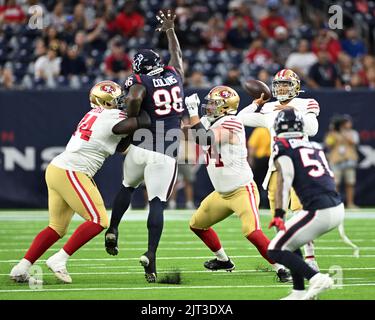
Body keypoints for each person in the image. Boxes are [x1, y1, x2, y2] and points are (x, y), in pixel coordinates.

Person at [9, 80, 150, 284]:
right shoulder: (112, 117)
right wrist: (146, 103)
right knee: (99, 220)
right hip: (72, 171)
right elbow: (142, 120)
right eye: (118, 100)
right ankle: (59, 259)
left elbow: (121, 144)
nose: (122, 102)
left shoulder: (96, 114)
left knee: (56, 227)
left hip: (59, 169)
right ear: (106, 103)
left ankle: (20, 268)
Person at [104, 10, 185, 283]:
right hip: (165, 149)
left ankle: (113, 227)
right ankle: (151, 255)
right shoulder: (174, 74)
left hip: (141, 145)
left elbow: (136, 95)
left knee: (127, 186)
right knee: (158, 202)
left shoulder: (139, 80)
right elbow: (178, 56)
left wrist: (132, 116)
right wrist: (171, 31)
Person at [184, 86, 291, 282]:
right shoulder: (210, 120)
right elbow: (191, 133)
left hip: (242, 190)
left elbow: (204, 138)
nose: (208, 106)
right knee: (197, 225)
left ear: (226, 107)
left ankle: (283, 268)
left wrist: (192, 113)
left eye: (214, 103)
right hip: (221, 193)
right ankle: (224, 261)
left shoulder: (232, 122)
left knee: (251, 231)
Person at [237, 69, 320, 271]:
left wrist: (292, 111)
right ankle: (287, 258)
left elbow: (312, 129)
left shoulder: (305, 103)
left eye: (286, 84)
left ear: (296, 88)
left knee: (301, 212)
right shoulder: (269, 108)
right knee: (278, 216)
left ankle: (310, 258)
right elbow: (240, 119)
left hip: (299, 164)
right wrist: (256, 104)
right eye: (279, 85)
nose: (282, 88)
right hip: (276, 167)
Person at [267, 108, 345, 300]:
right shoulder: (315, 146)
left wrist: (278, 214)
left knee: (275, 249)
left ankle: (317, 278)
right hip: (336, 205)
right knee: (291, 242)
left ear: (278, 127)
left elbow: (284, 182)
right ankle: (299, 292)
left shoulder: (283, 147)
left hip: (319, 210)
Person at [325, 115, 360, 209]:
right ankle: (336, 204)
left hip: (349, 161)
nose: (345, 125)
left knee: (350, 183)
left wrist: (343, 132)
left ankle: (350, 203)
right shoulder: (332, 133)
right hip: (336, 161)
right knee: (335, 183)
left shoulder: (353, 133)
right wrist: (333, 131)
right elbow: (328, 144)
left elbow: (354, 142)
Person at [247, 127, 271, 208]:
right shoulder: (269, 130)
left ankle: (259, 203)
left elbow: (252, 146)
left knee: (259, 183)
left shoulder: (260, 130)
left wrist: (251, 159)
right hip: (266, 160)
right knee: (266, 183)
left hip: (262, 160)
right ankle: (263, 204)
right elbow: (252, 146)